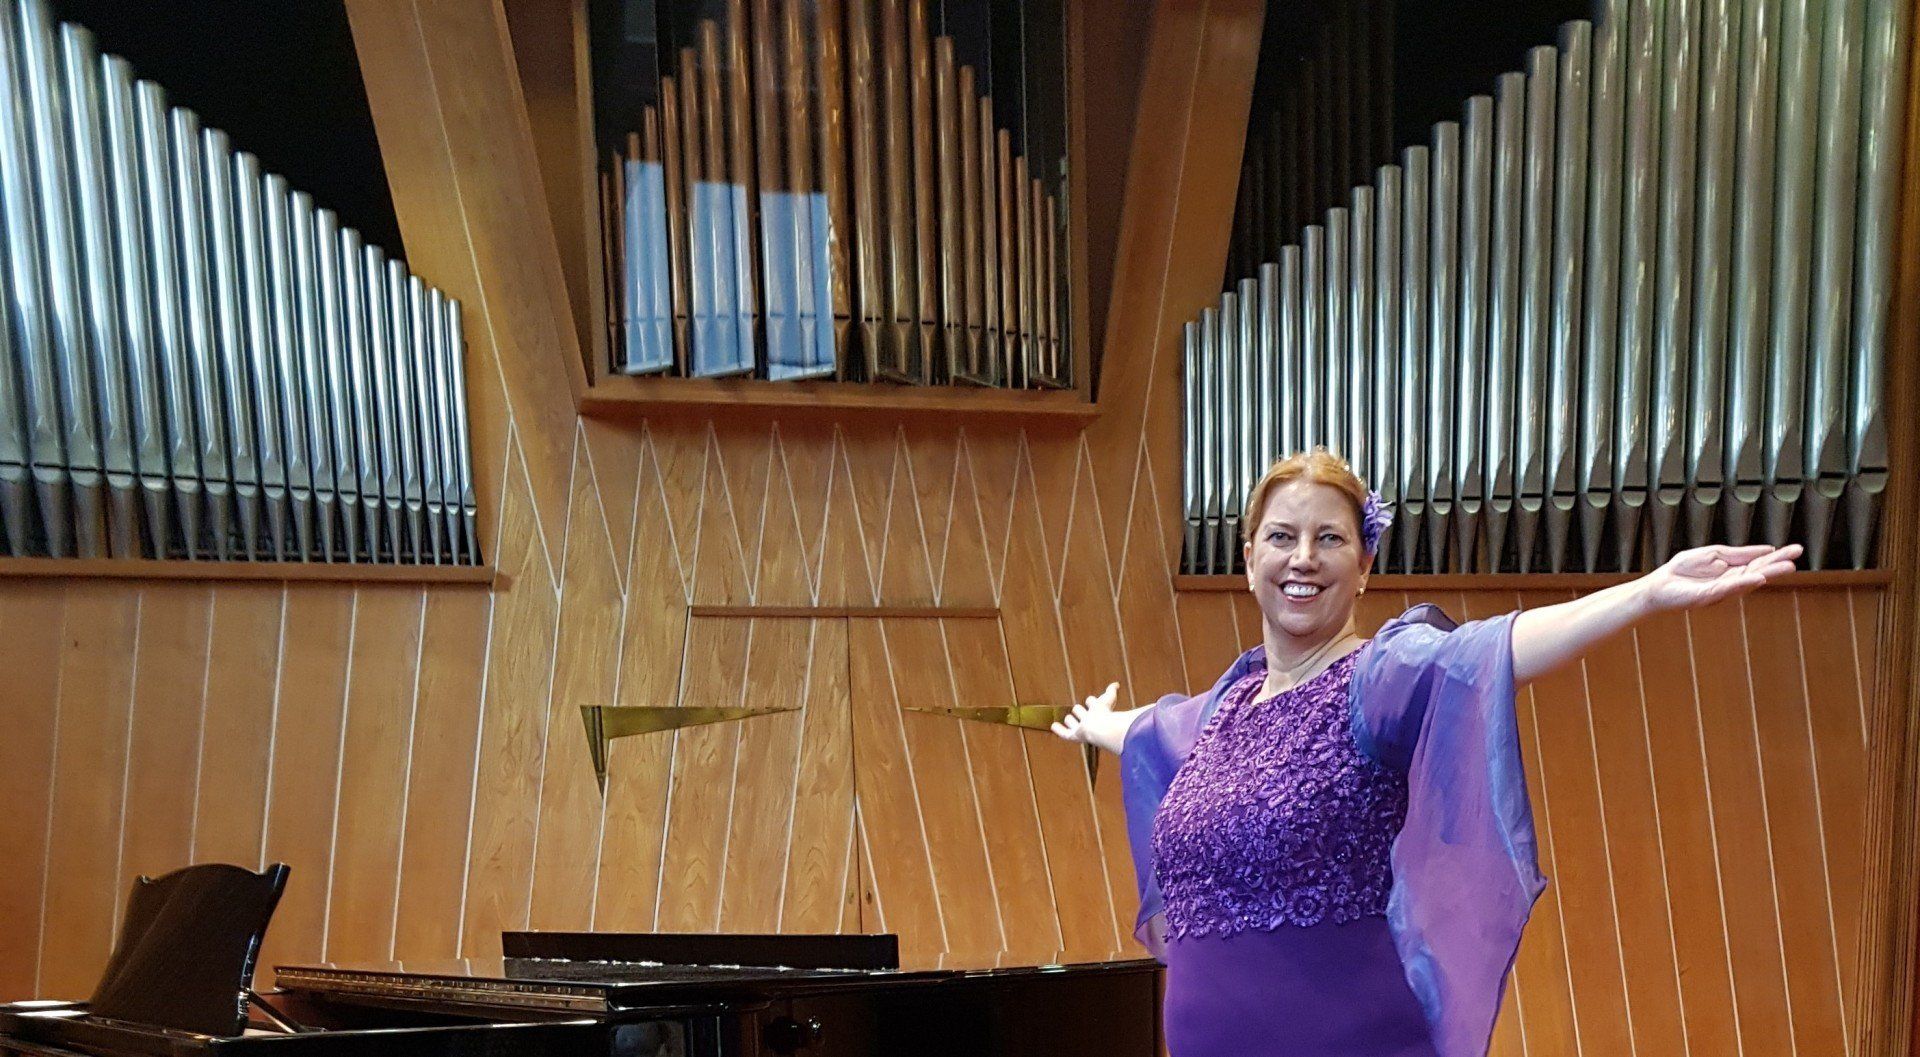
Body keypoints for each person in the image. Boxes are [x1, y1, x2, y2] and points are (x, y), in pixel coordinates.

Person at [1051, 450, 1801, 1057]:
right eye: (1282, 537)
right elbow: (1152, 729)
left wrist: (1644, 593)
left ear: (1365, 564)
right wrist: (1099, 723)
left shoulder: (1380, 675)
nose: (1303, 557)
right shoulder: (1221, 711)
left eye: (1330, 538)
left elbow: (1493, 648)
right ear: (1249, 560)